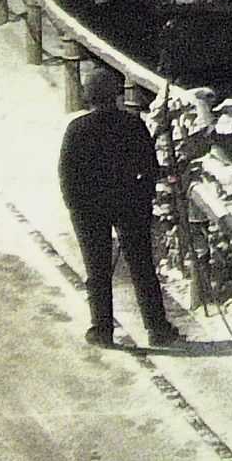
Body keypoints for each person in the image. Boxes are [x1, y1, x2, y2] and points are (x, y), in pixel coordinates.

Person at [59, 67, 176, 349]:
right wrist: (142, 199)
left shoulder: (77, 129)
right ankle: (157, 327)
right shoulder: (132, 124)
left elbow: (67, 174)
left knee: (97, 271)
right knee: (142, 267)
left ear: (89, 97)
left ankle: (102, 329)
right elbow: (150, 168)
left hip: (89, 210)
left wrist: (76, 208)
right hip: (129, 205)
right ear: (117, 95)